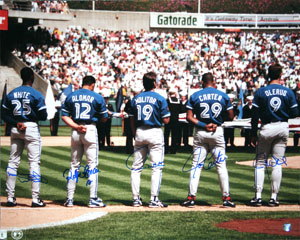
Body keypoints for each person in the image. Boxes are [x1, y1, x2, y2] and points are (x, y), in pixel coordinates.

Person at [181, 72, 235, 208]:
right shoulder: (223, 95)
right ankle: (226, 198)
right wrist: (218, 121)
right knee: (221, 166)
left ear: (202, 82)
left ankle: (191, 197)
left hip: (201, 130)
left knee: (196, 165)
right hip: (217, 131)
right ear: (214, 81)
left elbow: (189, 117)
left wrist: (204, 125)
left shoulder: (195, 95)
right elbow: (231, 116)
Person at [250, 64, 298, 207]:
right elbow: (295, 113)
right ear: (280, 74)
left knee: (260, 163)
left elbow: (254, 115)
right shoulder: (288, 92)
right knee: (277, 163)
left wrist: (253, 133)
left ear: (268, 75)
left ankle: (258, 196)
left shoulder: (261, 92)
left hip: (267, 126)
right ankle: (273, 197)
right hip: (282, 126)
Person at [1, 67, 48, 207]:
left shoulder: (12, 93)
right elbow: (43, 116)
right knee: (34, 163)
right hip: (31, 127)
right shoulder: (36, 94)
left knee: (13, 162)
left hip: (16, 127)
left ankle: (10, 198)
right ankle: (35, 199)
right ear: (32, 78)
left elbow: (3, 114)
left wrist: (16, 122)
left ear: (21, 77)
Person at [61, 75, 108, 208]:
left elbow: (64, 116)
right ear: (92, 84)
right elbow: (104, 118)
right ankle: (92, 198)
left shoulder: (71, 96)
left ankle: (69, 199)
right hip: (90, 129)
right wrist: (102, 116)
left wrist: (76, 126)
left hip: (76, 130)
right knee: (92, 166)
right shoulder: (97, 97)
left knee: (74, 165)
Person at [129, 72, 170, 208]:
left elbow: (131, 118)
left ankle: (136, 199)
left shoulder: (136, 98)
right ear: (154, 83)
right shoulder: (160, 98)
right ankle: (153, 199)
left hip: (140, 131)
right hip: (155, 132)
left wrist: (135, 133)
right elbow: (166, 119)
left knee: (136, 168)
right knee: (156, 168)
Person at [164, 88, 181, 154]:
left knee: (166, 135)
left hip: (168, 119)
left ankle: (166, 149)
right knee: (174, 135)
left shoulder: (167, 101)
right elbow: (181, 110)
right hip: (176, 119)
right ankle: (173, 150)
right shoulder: (179, 101)